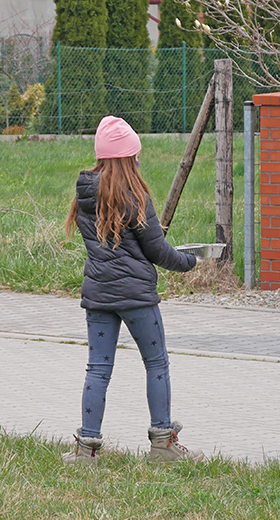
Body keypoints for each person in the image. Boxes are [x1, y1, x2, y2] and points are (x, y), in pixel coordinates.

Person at [62, 115, 204, 465]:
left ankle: (86, 450)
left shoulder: (84, 195)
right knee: (156, 364)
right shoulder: (135, 195)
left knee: (97, 369)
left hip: (98, 293)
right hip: (137, 296)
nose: (139, 160)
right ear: (128, 158)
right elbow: (158, 251)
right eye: (135, 154)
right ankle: (163, 446)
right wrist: (191, 262)